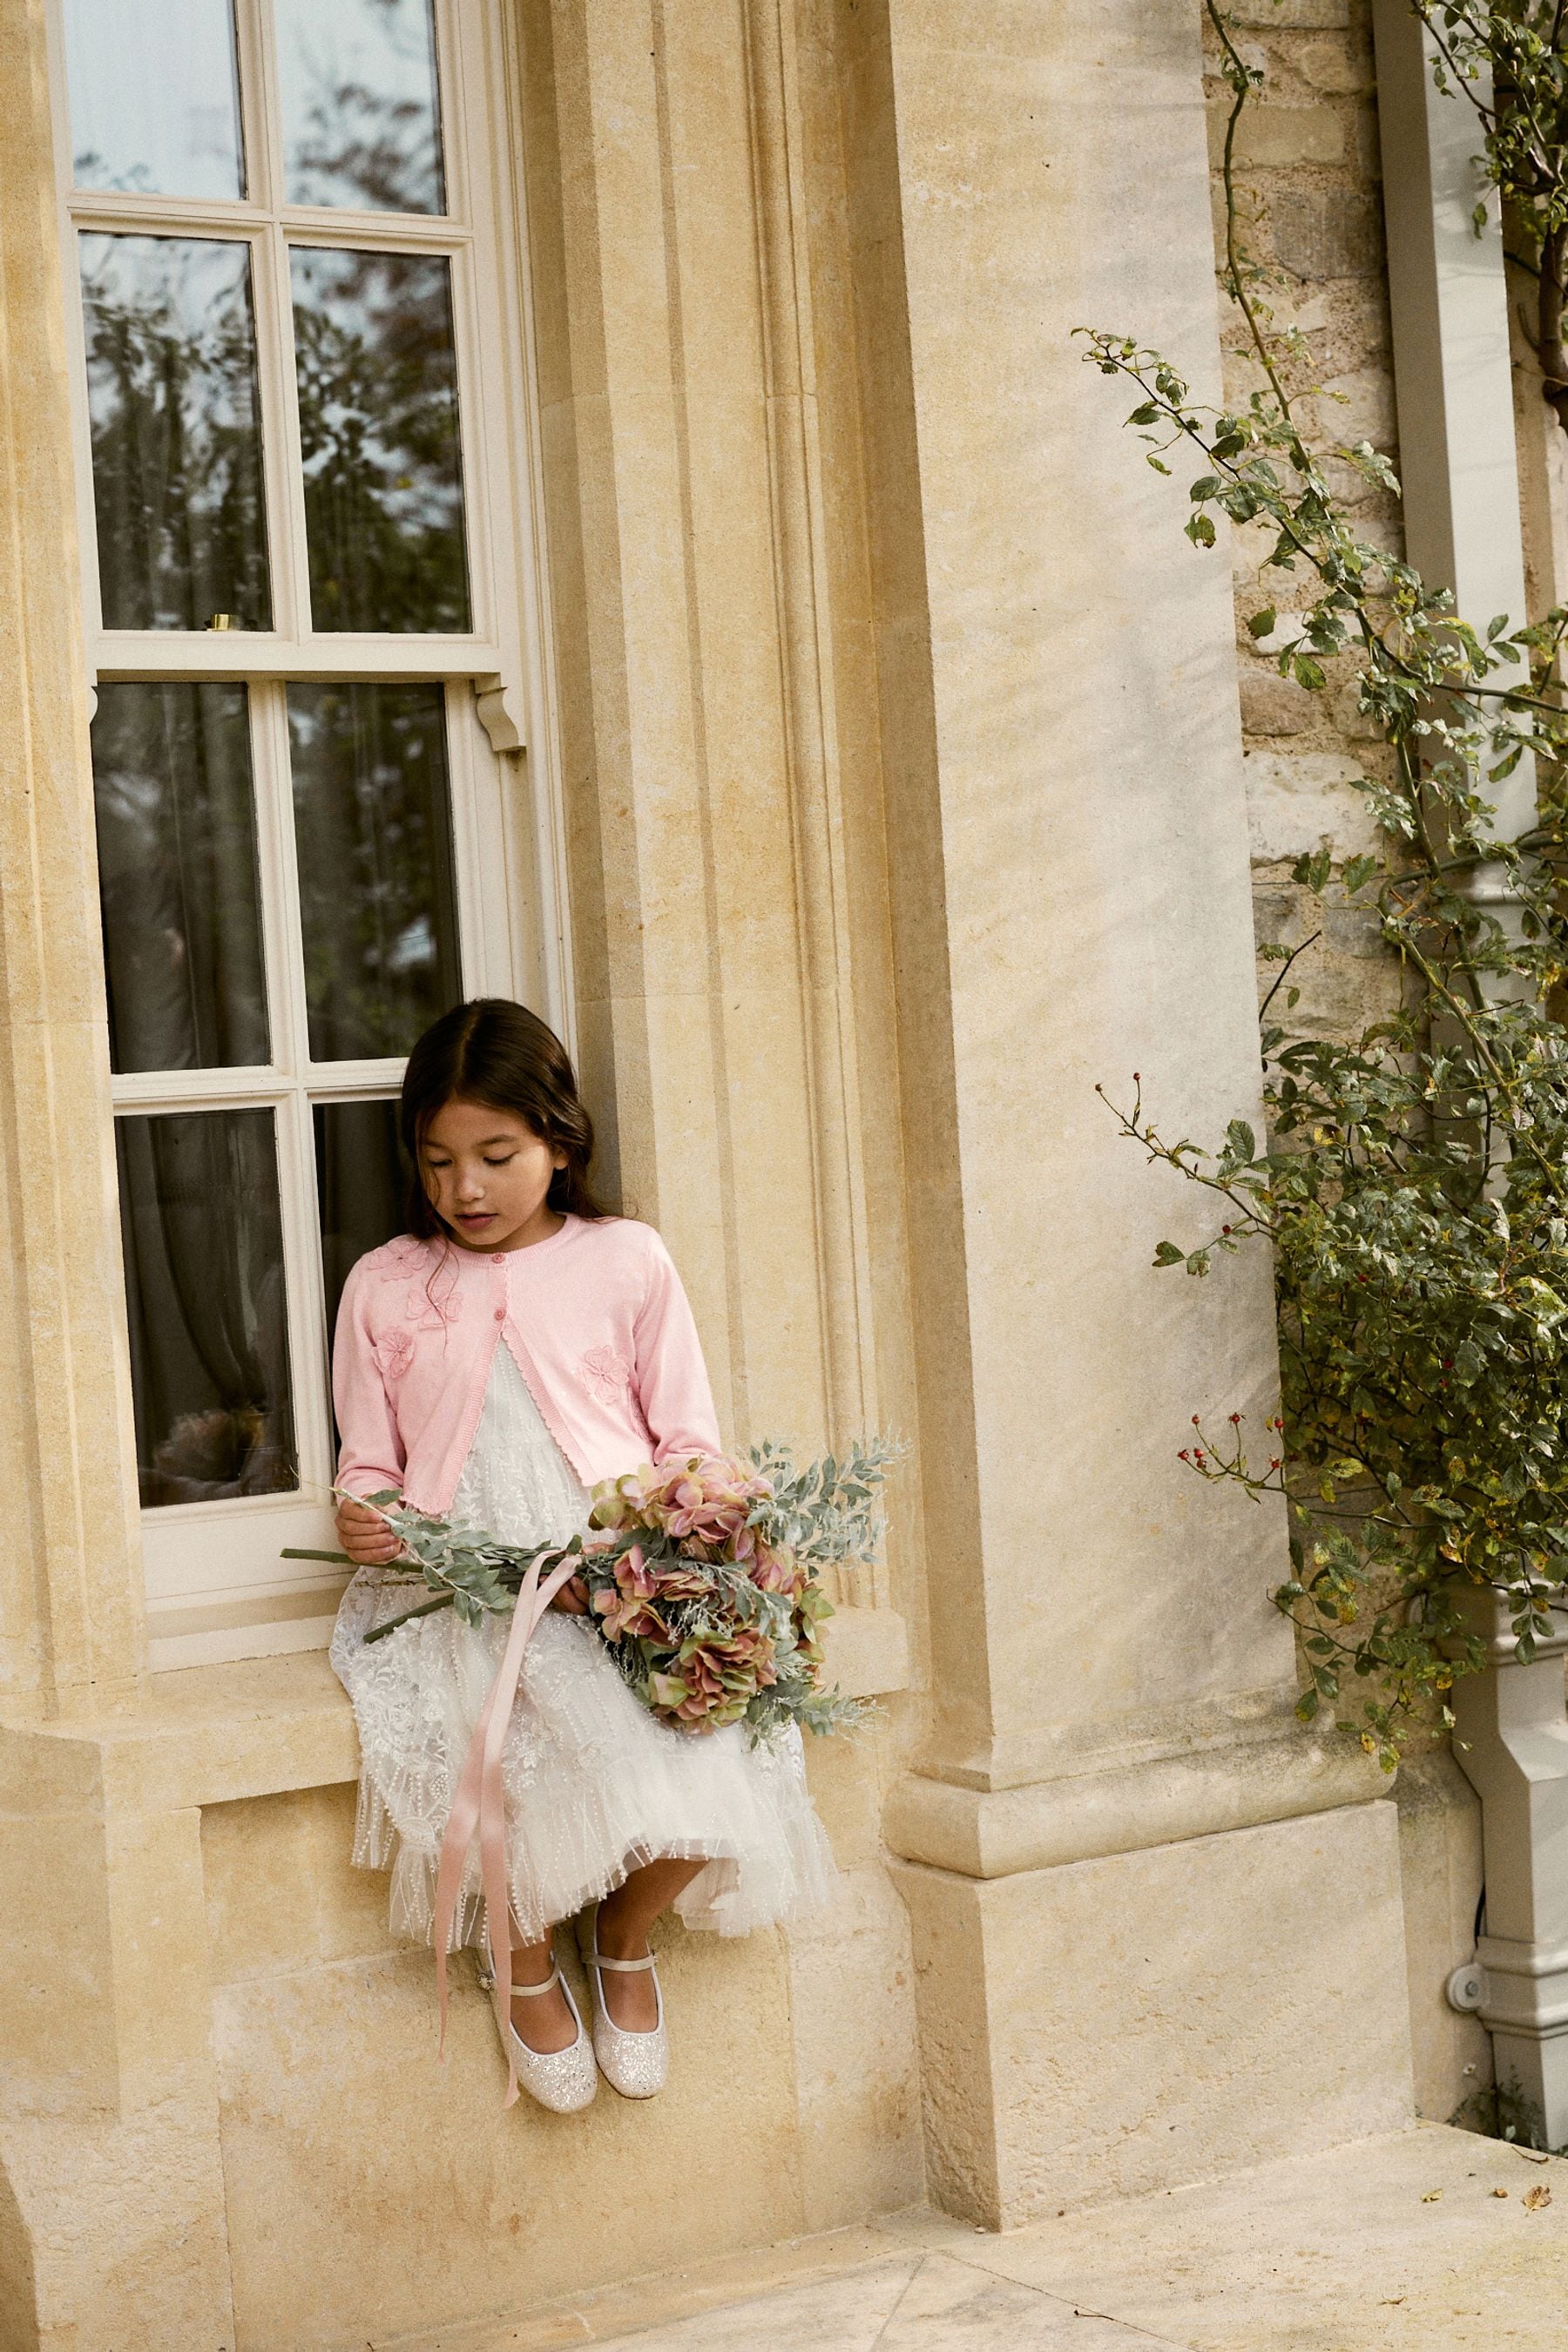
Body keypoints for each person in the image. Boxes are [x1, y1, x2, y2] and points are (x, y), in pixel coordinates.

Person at [328, 998, 835, 2112]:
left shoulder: (626, 1260)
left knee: (714, 1765)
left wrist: (688, 1545)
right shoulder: (384, 1282)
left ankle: (623, 1931)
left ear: (559, 1140)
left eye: (497, 1156)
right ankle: (513, 1955)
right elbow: (369, 1459)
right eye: (439, 1161)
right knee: (492, 1770)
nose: (466, 1189)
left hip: (618, 1581)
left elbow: (690, 1440)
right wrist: (362, 1510)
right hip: (457, 1585)